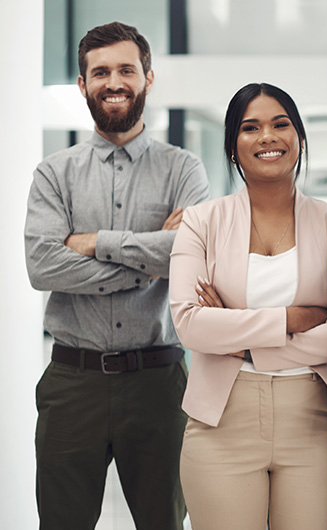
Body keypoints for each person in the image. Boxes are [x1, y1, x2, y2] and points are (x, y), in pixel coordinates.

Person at [24, 21, 209, 530]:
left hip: (159, 382)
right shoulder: (53, 174)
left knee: (164, 522)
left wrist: (97, 243)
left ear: (148, 78)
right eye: (100, 71)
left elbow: (192, 255)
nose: (114, 81)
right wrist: (149, 260)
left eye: (126, 69)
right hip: (71, 384)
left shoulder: (184, 170)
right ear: (83, 84)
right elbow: (43, 265)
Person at [168, 83, 327, 530]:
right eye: (250, 128)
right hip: (221, 422)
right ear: (233, 146)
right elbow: (191, 326)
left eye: (280, 124)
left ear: (299, 137)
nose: (267, 137)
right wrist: (293, 319)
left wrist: (240, 338)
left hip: (315, 422)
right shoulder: (201, 222)